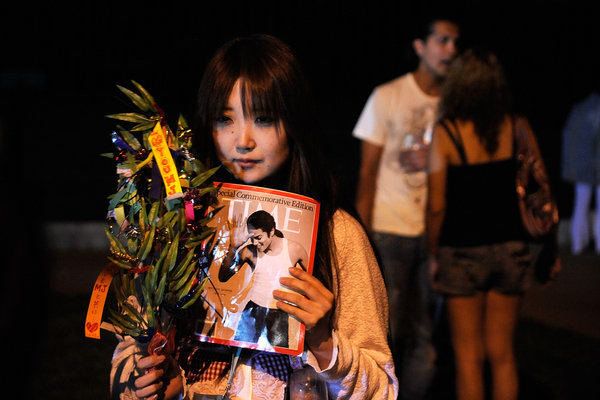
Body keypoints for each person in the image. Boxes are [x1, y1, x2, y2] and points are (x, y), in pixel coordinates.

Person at [110, 34, 398, 399]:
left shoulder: (337, 234)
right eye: (224, 119)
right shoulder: (177, 227)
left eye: (263, 119)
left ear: (295, 124)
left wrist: (325, 343)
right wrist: (152, 384)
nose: (242, 140)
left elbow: (383, 390)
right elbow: (126, 359)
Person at [426, 48, 561, 400]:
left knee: (468, 357)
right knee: (502, 355)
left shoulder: (446, 132)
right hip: (510, 249)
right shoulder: (517, 126)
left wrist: (433, 253)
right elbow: (539, 185)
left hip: (461, 252)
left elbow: (437, 205)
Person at [352, 15, 460, 399]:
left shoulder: (454, 103)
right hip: (389, 230)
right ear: (420, 46)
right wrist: (361, 238)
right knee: (389, 330)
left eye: (454, 43)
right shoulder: (389, 96)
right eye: (442, 41)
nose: (450, 50)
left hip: (434, 232)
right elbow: (367, 172)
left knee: (426, 332)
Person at [220, 210, 309, 348]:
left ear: (271, 231)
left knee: (277, 361)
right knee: (238, 354)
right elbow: (223, 277)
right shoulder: (250, 251)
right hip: (253, 311)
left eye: (259, 237)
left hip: (279, 314)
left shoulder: (294, 249)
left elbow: (312, 283)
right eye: (252, 238)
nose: (255, 243)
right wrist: (233, 247)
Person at [561, 89, 600, 254]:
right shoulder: (595, 111)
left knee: (580, 205)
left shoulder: (579, 109)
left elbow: (568, 137)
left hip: (578, 166)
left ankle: (578, 246)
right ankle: (598, 246)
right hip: (594, 165)